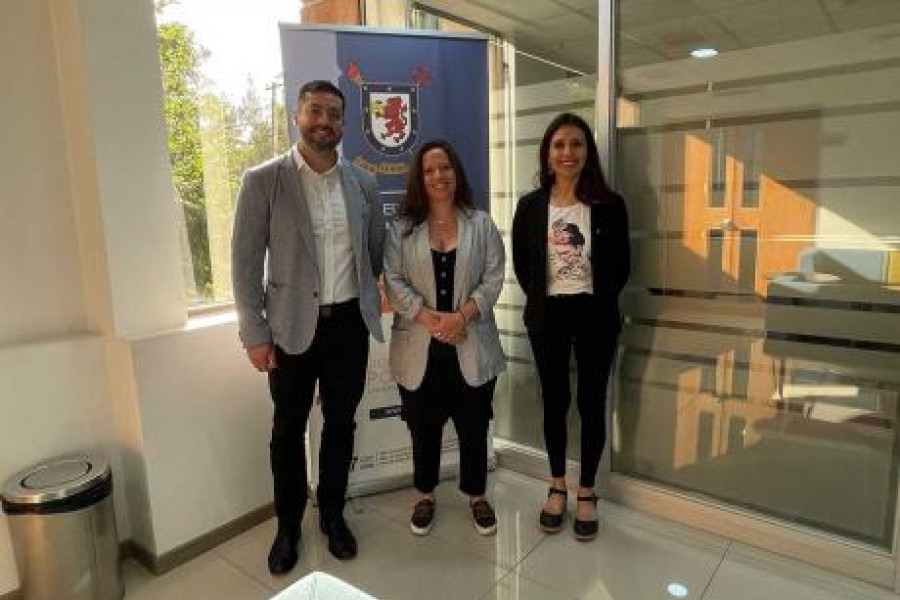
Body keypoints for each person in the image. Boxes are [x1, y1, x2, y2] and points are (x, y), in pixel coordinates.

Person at [231, 80, 384, 574]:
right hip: (289, 328)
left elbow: (374, 250)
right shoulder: (264, 180)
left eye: (334, 114)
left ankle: (333, 516)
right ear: (298, 116)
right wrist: (254, 334)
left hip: (347, 328)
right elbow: (244, 263)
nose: (324, 121)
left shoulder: (362, 184)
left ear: (343, 123)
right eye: (315, 111)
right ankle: (288, 526)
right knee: (287, 430)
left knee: (340, 425)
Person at [511, 113, 629, 541]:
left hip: (595, 316)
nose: (567, 153)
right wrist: (546, 299)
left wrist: (595, 299)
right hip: (549, 317)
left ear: (587, 152)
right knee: (555, 401)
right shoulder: (530, 206)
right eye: (559, 144)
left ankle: (587, 491)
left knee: (592, 403)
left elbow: (621, 267)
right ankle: (558, 484)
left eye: (576, 144)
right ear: (547, 153)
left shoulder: (609, 204)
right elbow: (524, 266)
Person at [383, 140, 506, 537]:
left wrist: (461, 316)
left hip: (472, 342)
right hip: (419, 348)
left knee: (474, 425)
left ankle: (477, 495)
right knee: (423, 428)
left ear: (456, 172)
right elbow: (393, 280)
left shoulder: (481, 224)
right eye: (429, 170)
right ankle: (425, 495)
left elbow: (494, 277)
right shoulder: (401, 230)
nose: (438, 176)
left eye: (445, 167)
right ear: (420, 179)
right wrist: (431, 319)